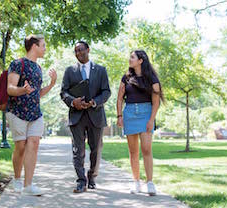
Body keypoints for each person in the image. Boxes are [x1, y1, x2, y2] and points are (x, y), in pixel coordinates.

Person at [6, 34, 57, 196]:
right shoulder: (17, 64)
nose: (45, 49)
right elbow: (10, 88)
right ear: (34, 46)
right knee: (20, 147)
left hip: (35, 112)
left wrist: (52, 84)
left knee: (33, 144)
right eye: (43, 45)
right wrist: (23, 90)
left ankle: (28, 186)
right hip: (18, 112)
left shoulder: (38, 68)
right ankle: (17, 179)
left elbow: (38, 94)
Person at [60, 41, 111, 193]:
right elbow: (64, 92)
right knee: (78, 150)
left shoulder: (101, 70)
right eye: (75, 51)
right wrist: (73, 102)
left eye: (81, 50)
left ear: (88, 50)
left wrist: (95, 102)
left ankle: (92, 177)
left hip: (95, 115)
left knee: (95, 149)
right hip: (77, 116)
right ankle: (81, 181)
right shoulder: (70, 71)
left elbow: (106, 92)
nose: (78, 53)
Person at [116, 50, 164, 196]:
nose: (130, 59)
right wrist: (119, 116)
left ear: (141, 60)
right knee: (133, 151)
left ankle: (150, 182)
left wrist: (151, 120)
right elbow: (119, 98)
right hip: (129, 113)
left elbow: (156, 102)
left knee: (146, 149)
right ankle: (136, 182)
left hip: (146, 114)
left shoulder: (152, 79)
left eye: (132, 57)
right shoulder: (126, 77)